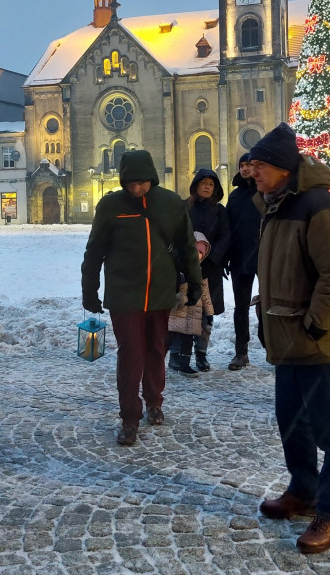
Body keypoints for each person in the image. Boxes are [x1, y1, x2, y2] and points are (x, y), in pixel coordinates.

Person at [251, 123, 330, 555]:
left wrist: (314, 322)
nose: (251, 172)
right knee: (290, 420)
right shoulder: (274, 205)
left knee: (329, 430)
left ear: (282, 167)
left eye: (258, 166)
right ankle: (303, 491)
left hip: (313, 338)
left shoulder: (316, 205)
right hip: (285, 336)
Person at [81, 149, 201, 448]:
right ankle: (129, 418)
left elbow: (187, 246)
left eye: (142, 183)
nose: (136, 189)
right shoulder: (111, 205)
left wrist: (195, 282)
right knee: (131, 354)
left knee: (156, 350)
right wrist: (89, 289)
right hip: (124, 295)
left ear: (152, 178)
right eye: (131, 183)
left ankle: (154, 401)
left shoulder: (171, 203)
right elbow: (94, 250)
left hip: (160, 292)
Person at [168, 169, 229, 375]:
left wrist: (212, 258)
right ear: (195, 186)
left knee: (205, 314)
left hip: (210, 270)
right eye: (203, 183)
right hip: (184, 269)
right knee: (181, 311)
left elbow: (225, 237)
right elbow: (175, 234)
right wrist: (183, 258)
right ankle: (176, 355)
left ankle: (201, 353)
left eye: (211, 184)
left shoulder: (220, 211)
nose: (207, 187)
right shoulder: (184, 208)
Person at [225, 153, 259, 371]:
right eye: (242, 165)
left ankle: (275, 350)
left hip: (265, 257)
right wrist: (227, 257)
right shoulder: (235, 196)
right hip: (240, 257)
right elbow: (228, 228)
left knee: (271, 306)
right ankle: (241, 352)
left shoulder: (266, 193)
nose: (245, 169)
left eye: (249, 165)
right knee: (241, 308)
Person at [167, 232, 215, 369]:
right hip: (179, 310)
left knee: (189, 337)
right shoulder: (178, 268)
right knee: (176, 334)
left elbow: (205, 294)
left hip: (195, 311)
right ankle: (174, 357)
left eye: (201, 252)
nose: (197, 255)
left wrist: (209, 312)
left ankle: (188, 360)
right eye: (195, 251)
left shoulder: (201, 272)